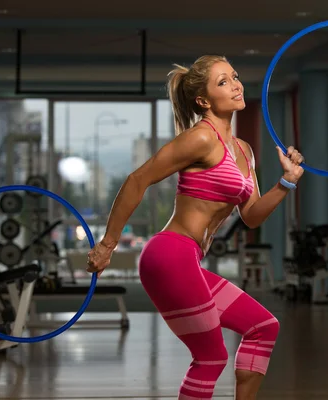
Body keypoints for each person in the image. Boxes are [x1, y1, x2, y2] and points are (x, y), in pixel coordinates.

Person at [87, 55, 305, 400]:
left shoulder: (244, 151)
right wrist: (107, 245)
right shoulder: (201, 139)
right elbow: (137, 180)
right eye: (223, 82)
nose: (235, 84)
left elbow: (251, 216)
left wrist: (286, 183)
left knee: (263, 328)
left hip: (187, 259)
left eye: (234, 76)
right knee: (211, 357)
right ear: (203, 101)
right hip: (170, 254)